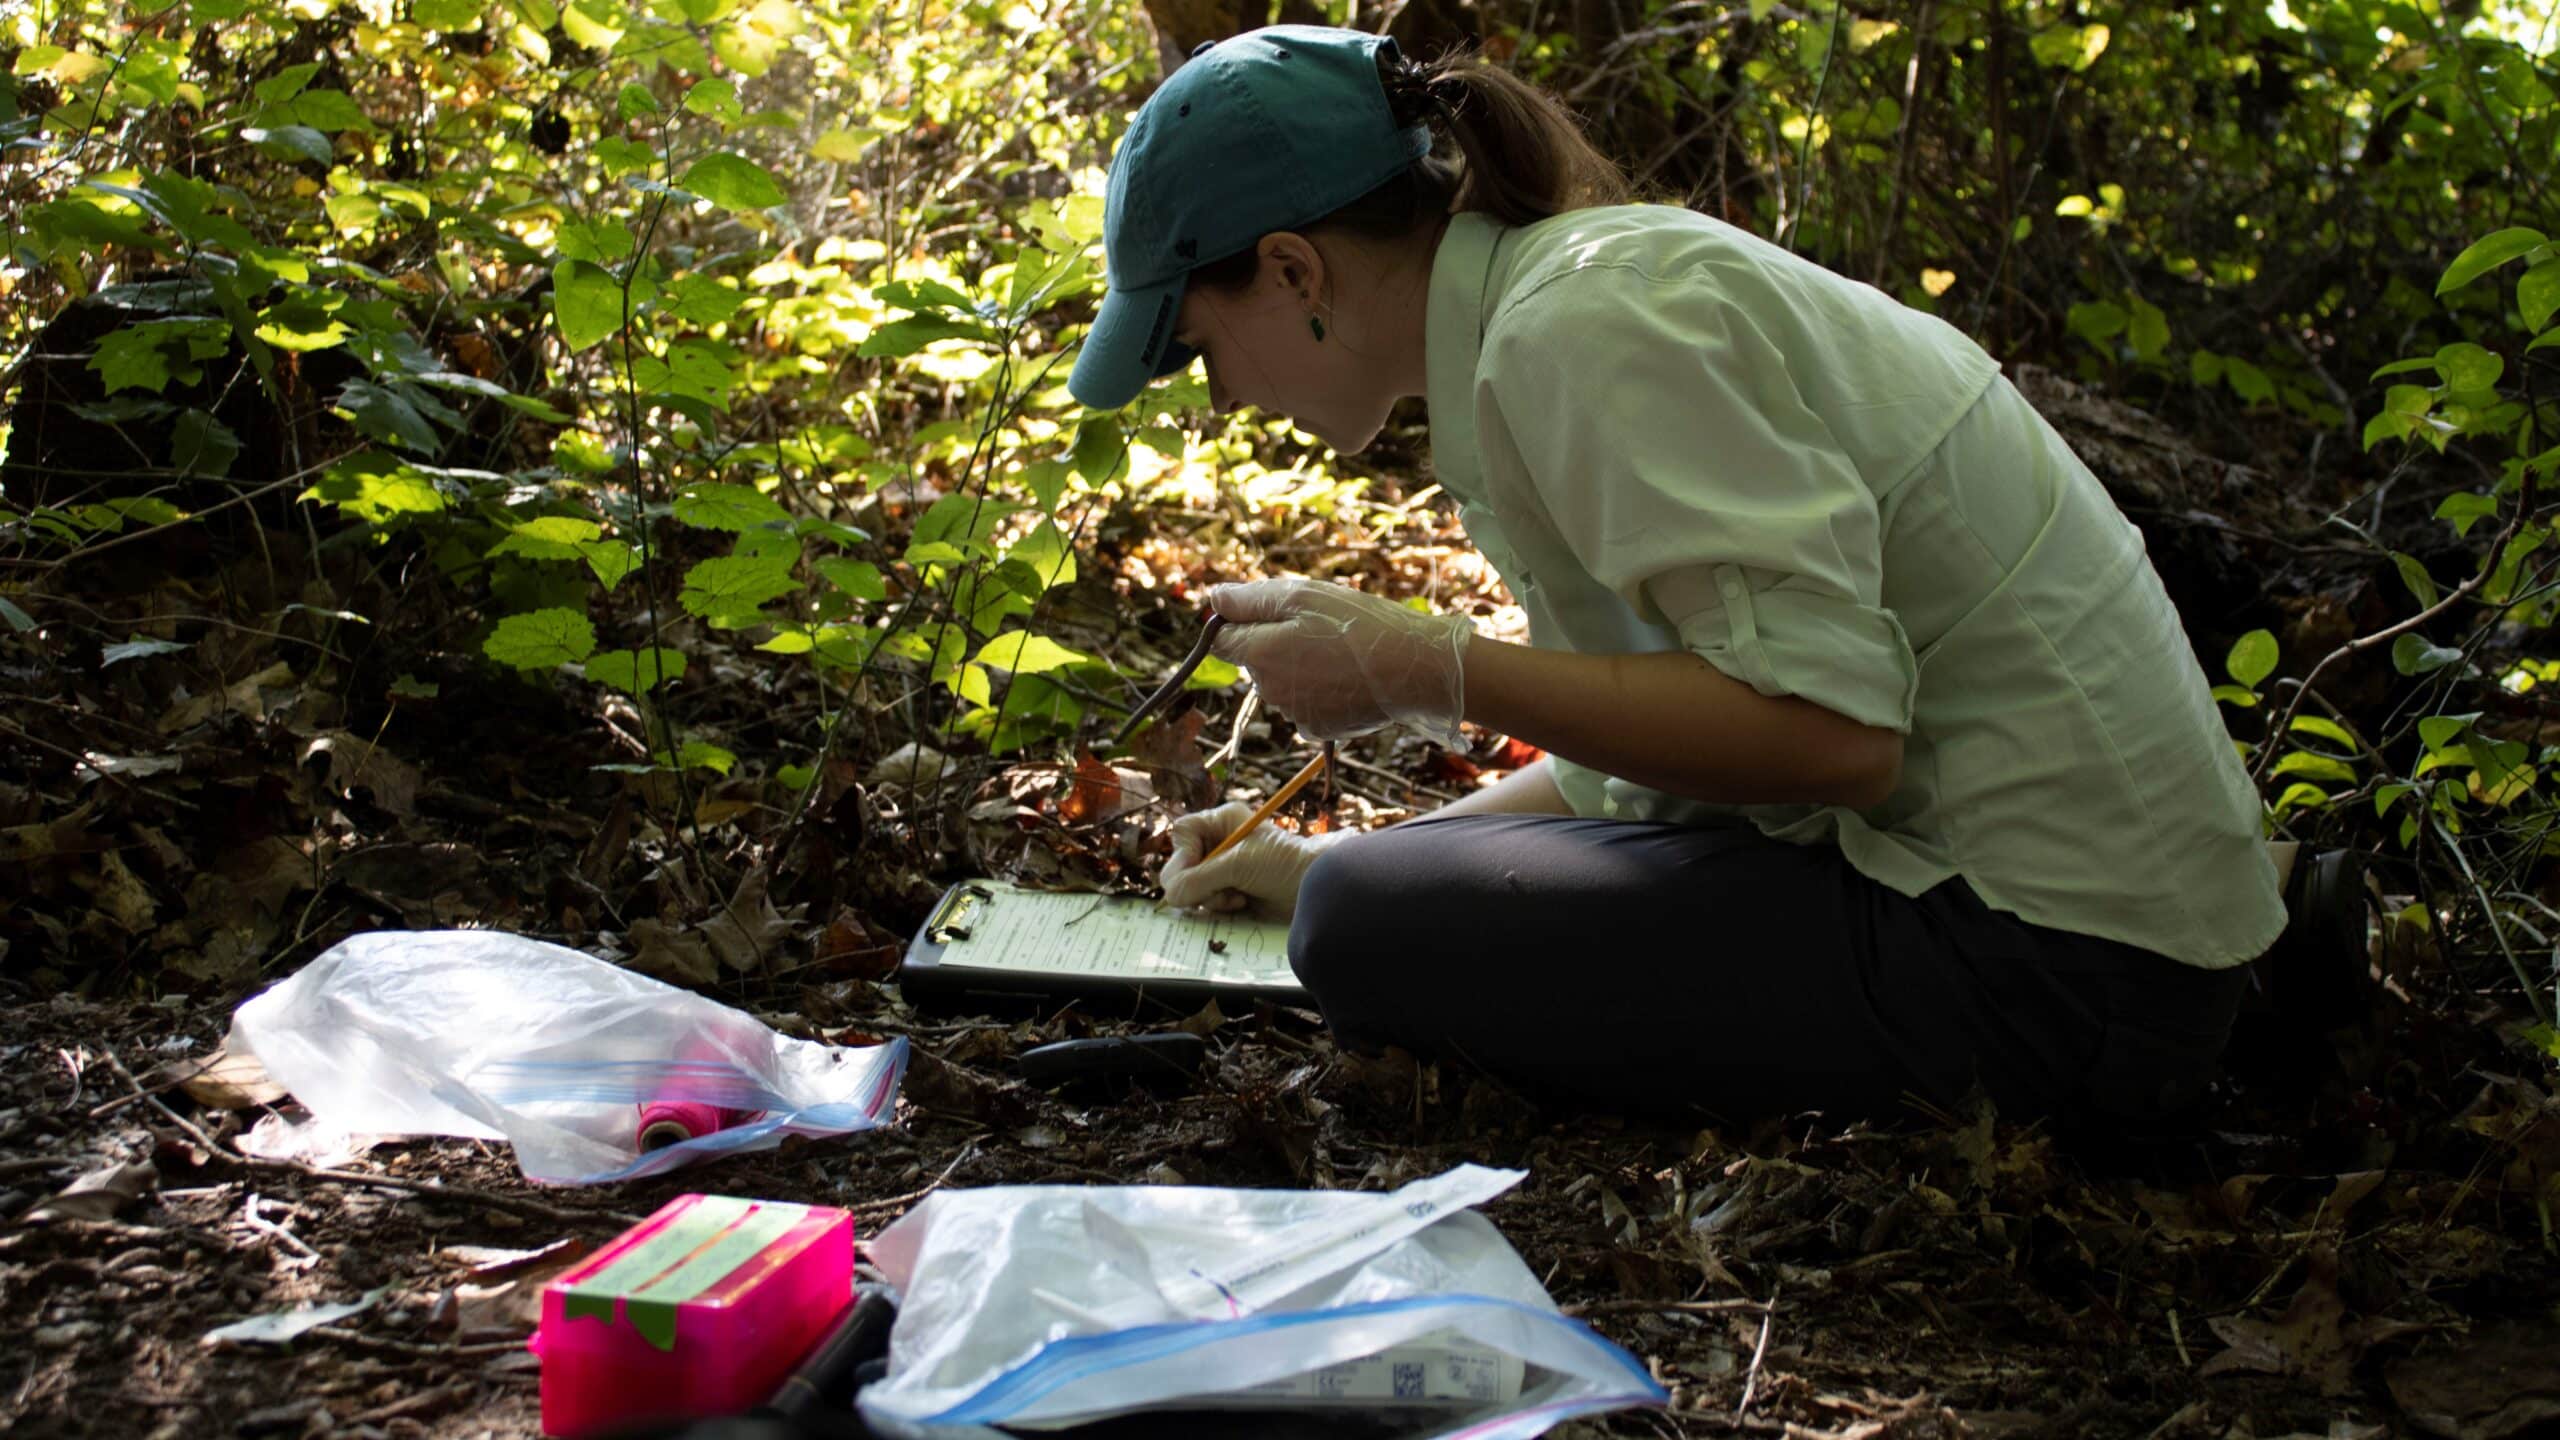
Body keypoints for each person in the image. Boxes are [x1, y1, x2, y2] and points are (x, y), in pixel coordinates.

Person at [1066, 25, 2292, 1129]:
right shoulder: (1565, 298)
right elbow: (1671, 744)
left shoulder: (1582, 331)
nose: (1219, 393)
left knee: (1364, 935)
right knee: (1354, 898)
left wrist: (1422, 668)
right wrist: (1331, 859)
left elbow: (1828, 737)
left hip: (2050, 972)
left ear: (1292, 271)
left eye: (1193, 346)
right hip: (2092, 934)